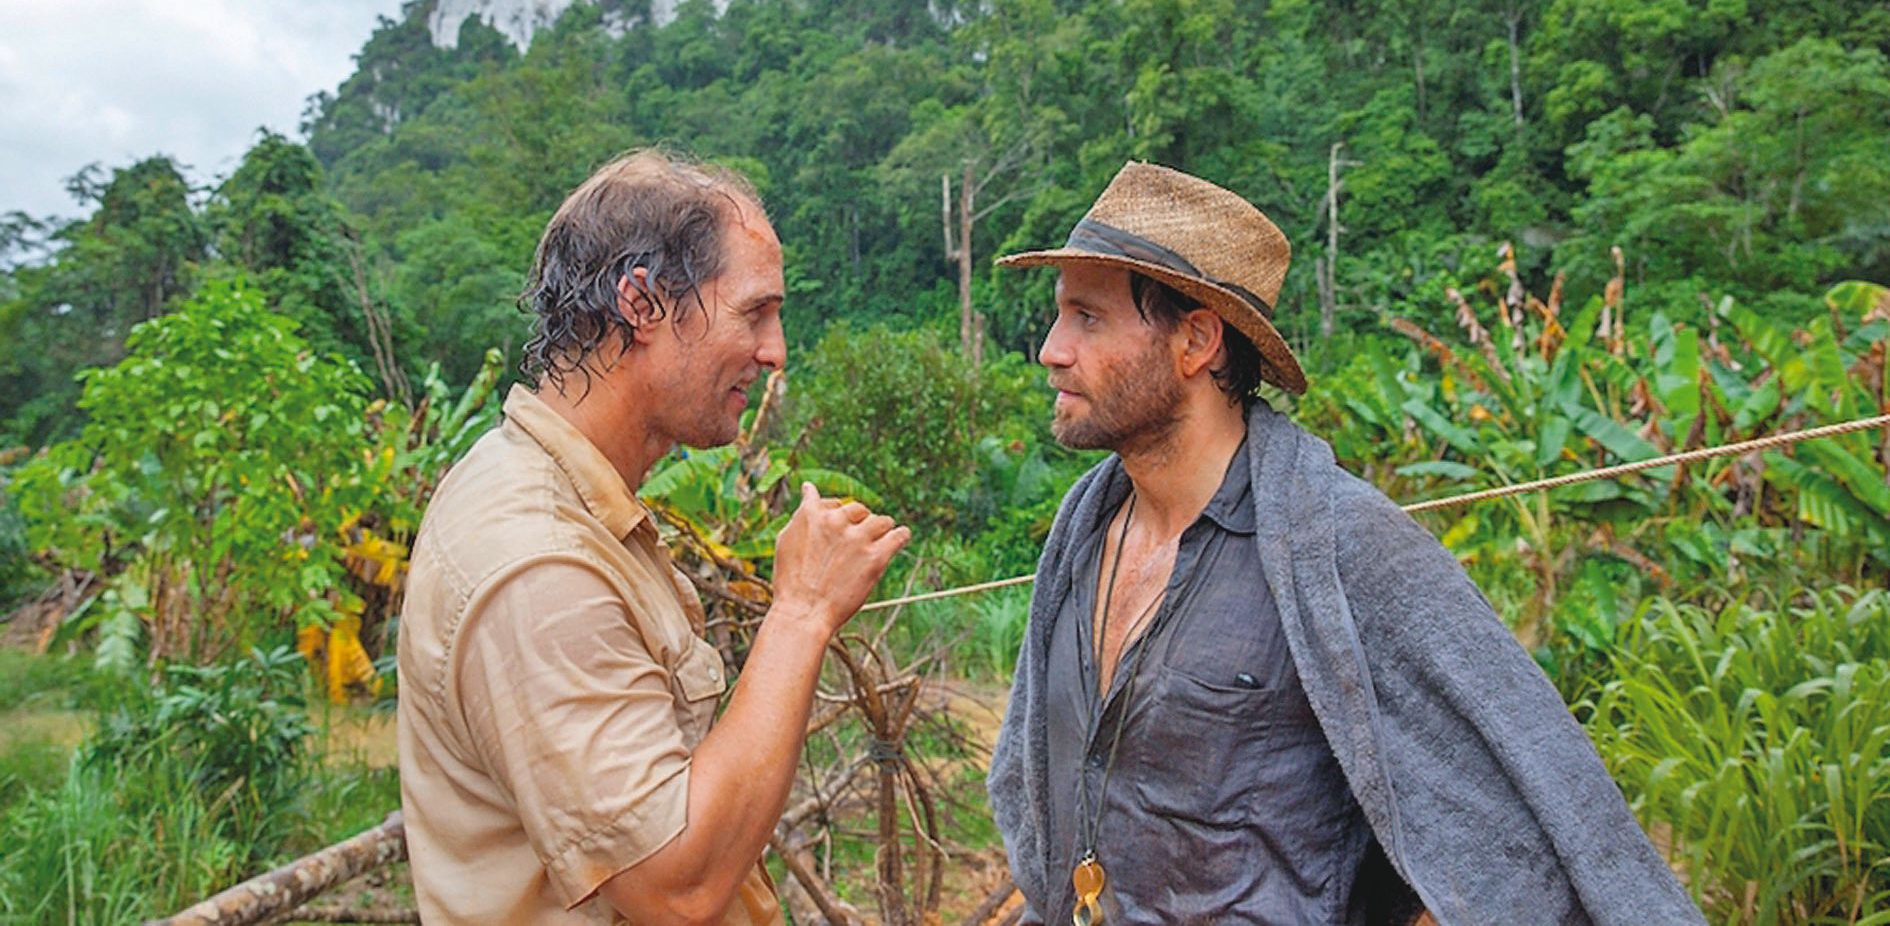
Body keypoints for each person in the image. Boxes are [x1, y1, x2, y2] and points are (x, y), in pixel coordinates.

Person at [986, 161, 1702, 925]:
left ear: (1195, 340)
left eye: (1087, 318)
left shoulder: (1341, 543)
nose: (1052, 350)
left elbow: (1541, 782)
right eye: (1061, 317)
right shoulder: (1083, 527)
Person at [398, 150, 910, 925]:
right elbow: (675, 887)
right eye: (752, 312)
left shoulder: (571, 499)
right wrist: (802, 611)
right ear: (641, 303)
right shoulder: (536, 564)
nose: (775, 351)